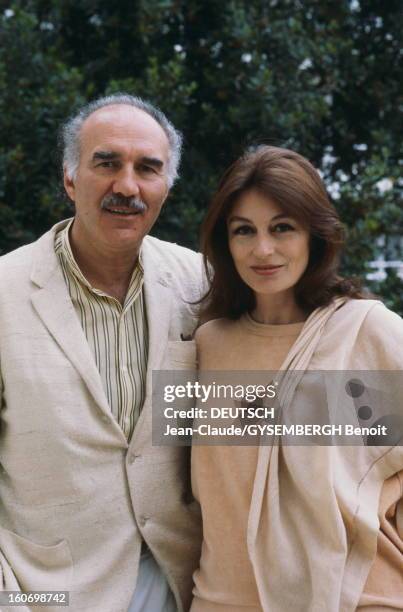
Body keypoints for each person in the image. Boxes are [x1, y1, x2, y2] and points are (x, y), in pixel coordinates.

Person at [0, 93, 204, 612]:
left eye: (147, 169)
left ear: (167, 188)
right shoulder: (4, 291)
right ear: (70, 178)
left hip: (186, 586)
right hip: (46, 594)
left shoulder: (202, 285)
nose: (127, 186)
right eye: (107, 163)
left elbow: (286, 399)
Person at [190, 145, 403, 611]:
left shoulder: (366, 330)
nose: (262, 249)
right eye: (243, 231)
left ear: (315, 235)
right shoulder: (209, 344)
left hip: (354, 596)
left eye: (282, 228)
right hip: (221, 599)